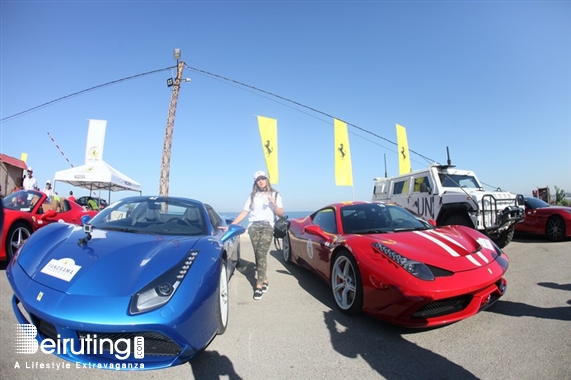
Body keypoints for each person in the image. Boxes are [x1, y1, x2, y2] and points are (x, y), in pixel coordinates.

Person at [231, 170, 284, 300]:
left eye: (262, 178)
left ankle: (259, 285)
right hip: (253, 226)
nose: (261, 181)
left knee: (261, 253)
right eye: (258, 179)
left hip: (268, 226)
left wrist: (273, 203)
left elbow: (281, 214)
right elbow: (244, 212)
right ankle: (264, 278)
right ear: (256, 182)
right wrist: (231, 225)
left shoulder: (275, 194)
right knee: (257, 254)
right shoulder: (252, 196)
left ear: (266, 179)